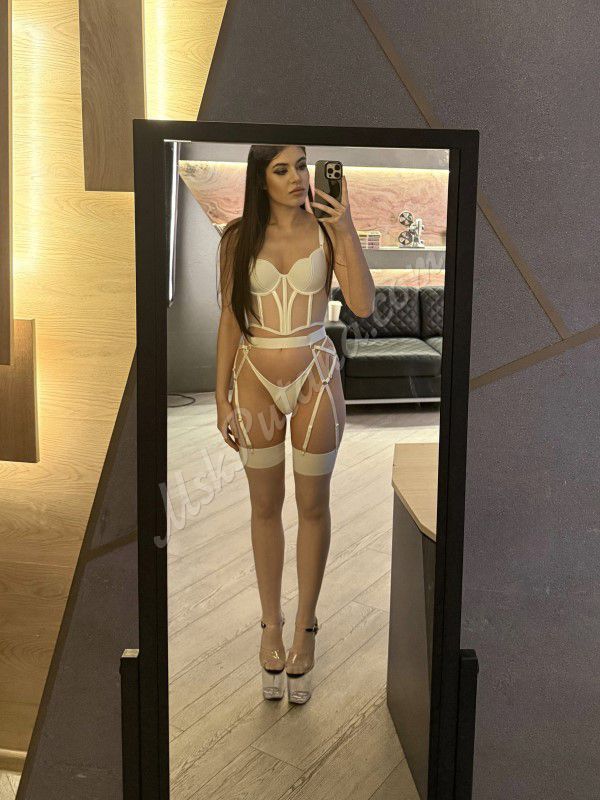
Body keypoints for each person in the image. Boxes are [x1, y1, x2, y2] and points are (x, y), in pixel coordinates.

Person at [214, 144, 374, 703]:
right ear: (259, 179)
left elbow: (362, 306)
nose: (297, 177)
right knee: (263, 507)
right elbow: (230, 318)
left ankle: (306, 624)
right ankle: (271, 624)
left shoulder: (328, 233)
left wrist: (346, 228)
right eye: (281, 169)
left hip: (316, 376)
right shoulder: (236, 238)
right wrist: (220, 397)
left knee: (312, 506)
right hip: (253, 376)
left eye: (301, 166)